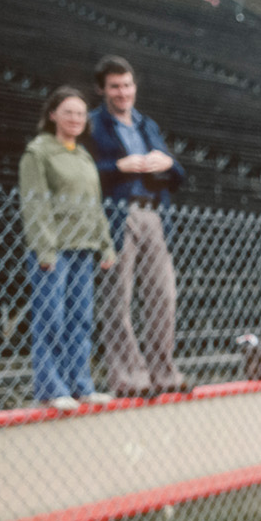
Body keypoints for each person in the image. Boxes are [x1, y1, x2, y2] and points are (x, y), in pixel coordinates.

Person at [86, 55, 189, 398]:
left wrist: (170, 163)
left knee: (164, 294)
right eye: (115, 86)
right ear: (102, 89)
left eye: (127, 85)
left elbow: (179, 176)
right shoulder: (94, 124)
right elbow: (85, 171)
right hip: (116, 213)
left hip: (154, 213)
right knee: (118, 298)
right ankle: (129, 375)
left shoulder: (147, 125)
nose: (122, 92)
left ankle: (164, 371)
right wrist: (118, 166)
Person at [19, 86, 118, 410]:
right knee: (52, 318)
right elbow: (35, 204)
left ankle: (81, 384)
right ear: (53, 115)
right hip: (56, 249)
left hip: (84, 247)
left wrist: (105, 245)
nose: (75, 119)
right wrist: (45, 249)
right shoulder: (39, 152)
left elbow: (94, 204)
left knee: (81, 319)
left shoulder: (83, 154)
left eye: (80, 113)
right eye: (68, 112)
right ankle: (51, 387)